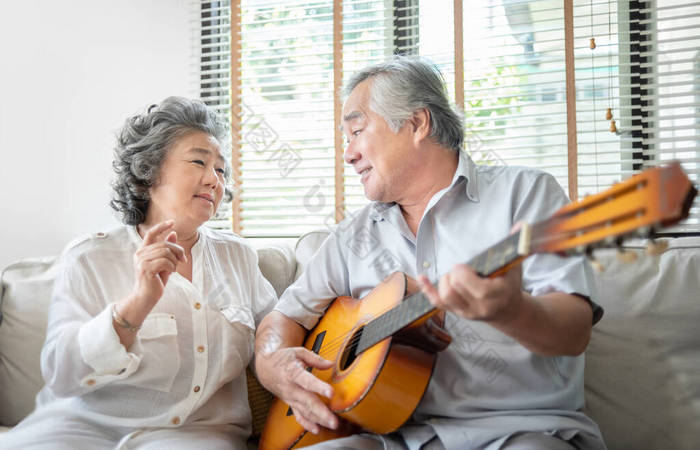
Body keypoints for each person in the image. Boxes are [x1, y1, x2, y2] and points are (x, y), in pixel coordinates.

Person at [254, 57, 607, 449]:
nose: (348, 153)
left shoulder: (526, 195)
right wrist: (272, 364)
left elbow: (575, 332)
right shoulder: (351, 235)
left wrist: (512, 310)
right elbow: (285, 315)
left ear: (417, 123)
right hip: (390, 436)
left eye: (356, 131)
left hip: (521, 431)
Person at [2, 97, 276, 449]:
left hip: (195, 435)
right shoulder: (89, 258)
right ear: (149, 172)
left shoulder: (238, 257)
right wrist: (137, 304)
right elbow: (62, 375)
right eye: (198, 162)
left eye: (221, 170)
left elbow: (277, 338)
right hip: (79, 429)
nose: (214, 180)